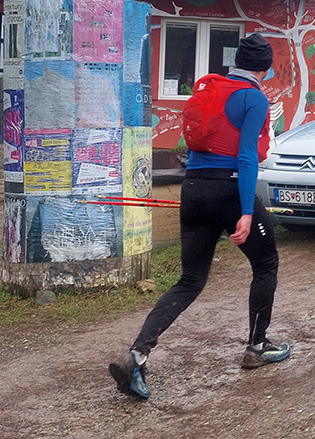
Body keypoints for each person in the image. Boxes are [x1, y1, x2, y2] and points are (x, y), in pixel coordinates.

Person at [110, 33, 290, 400]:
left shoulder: (209, 90)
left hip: (193, 188)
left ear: (236, 62)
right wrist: (244, 211)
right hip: (229, 188)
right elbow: (246, 156)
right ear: (265, 68)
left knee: (190, 280)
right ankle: (257, 346)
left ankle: (137, 354)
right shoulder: (254, 97)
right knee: (266, 263)